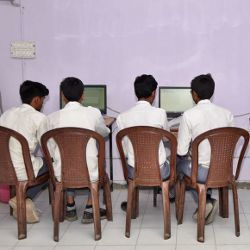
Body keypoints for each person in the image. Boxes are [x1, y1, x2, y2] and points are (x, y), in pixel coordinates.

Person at [45, 77, 110, 223]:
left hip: (62, 173)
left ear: (62, 95)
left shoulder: (52, 118)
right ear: (83, 95)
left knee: (67, 161)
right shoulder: (93, 113)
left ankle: (70, 206)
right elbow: (104, 133)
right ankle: (89, 208)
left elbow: (49, 146)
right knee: (96, 162)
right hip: (89, 171)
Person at [177, 73, 234, 224]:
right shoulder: (227, 114)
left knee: (178, 163)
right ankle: (207, 199)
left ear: (194, 94)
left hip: (202, 173)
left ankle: (205, 201)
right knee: (200, 161)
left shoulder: (189, 115)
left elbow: (181, 151)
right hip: (223, 170)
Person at [116, 74, 172, 211]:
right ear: (154, 93)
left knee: (132, 156)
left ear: (136, 93)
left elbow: (124, 148)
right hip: (159, 170)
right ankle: (169, 194)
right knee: (171, 155)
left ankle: (132, 206)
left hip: (134, 170)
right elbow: (166, 138)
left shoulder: (122, 117)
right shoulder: (160, 113)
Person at [0, 80, 49, 223]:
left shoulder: (6, 114)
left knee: (34, 160)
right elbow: (48, 147)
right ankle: (22, 198)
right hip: (22, 170)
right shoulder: (39, 118)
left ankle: (20, 199)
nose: (42, 105)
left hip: (3, 168)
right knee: (51, 165)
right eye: (42, 101)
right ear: (36, 100)